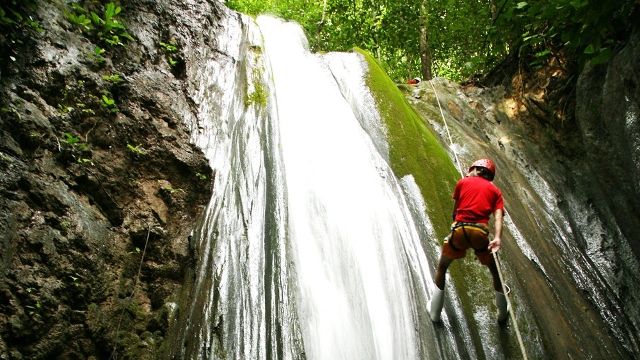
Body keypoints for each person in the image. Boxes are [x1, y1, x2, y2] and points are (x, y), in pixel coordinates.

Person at [427, 158, 510, 323]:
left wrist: (455, 228)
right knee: (495, 273)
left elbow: (455, 211)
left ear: (476, 170)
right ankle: (502, 314)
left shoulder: (462, 182)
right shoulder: (495, 192)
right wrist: (497, 238)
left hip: (460, 229)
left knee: (442, 267)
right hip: (480, 233)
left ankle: (435, 312)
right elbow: (499, 216)